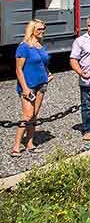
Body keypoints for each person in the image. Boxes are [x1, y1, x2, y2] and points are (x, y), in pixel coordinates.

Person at [11, 19, 51, 157]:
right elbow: (18, 69)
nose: (42, 31)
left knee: (34, 115)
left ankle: (29, 143)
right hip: (28, 85)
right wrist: (25, 88)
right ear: (31, 30)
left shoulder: (40, 45)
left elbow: (43, 63)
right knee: (27, 115)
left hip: (41, 84)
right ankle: (16, 146)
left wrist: (48, 73)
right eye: (39, 29)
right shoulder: (24, 47)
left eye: (43, 28)